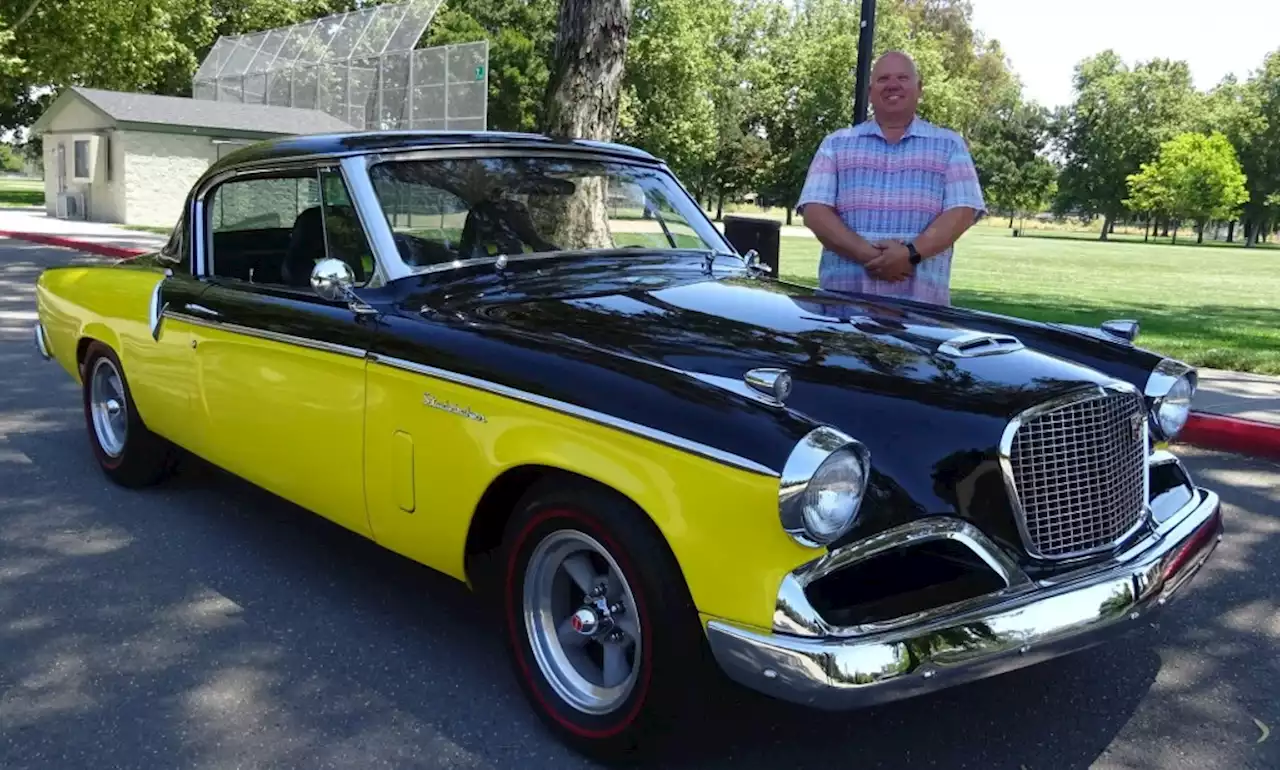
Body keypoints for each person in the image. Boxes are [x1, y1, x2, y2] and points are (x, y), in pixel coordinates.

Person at [796, 50, 986, 305]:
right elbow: (815, 212)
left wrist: (910, 254)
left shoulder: (950, 146)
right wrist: (871, 257)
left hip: (922, 314)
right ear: (871, 90)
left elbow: (962, 211)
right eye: (883, 78)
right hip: (843, 311)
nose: (893, 85)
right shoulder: (836, 144)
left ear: (919, 88)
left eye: (902, 78)